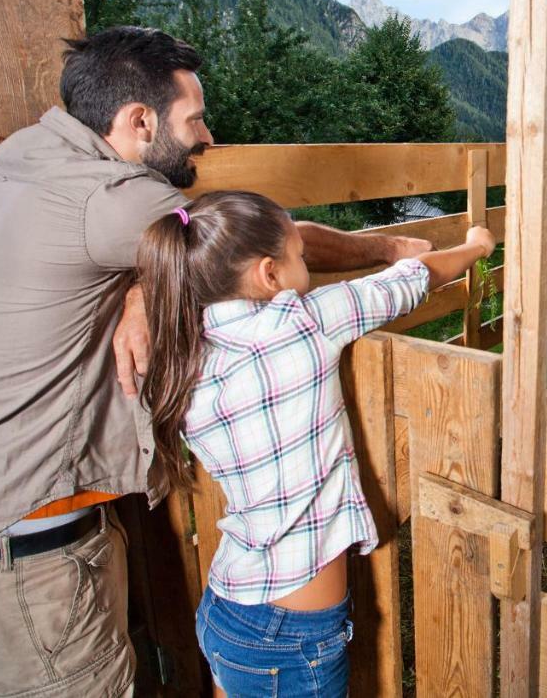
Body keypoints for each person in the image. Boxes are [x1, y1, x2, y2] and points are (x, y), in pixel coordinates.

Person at [0, 26, 428, 696]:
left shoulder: (26, 155)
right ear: (139, 121)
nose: (208, 136)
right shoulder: (116, 200)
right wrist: (388, 250)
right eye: (195, 117)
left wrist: (139, 283)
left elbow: (139, 245)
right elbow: (262, 243)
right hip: (31, 568)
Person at [137, 191, 493, 697]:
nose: (306, 263)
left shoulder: (182, 353)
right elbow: (410, 280)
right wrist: (476, 247)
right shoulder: (303, 324)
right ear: (269, 275)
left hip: (227, 609)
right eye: (300, 255)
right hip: (292, 637)